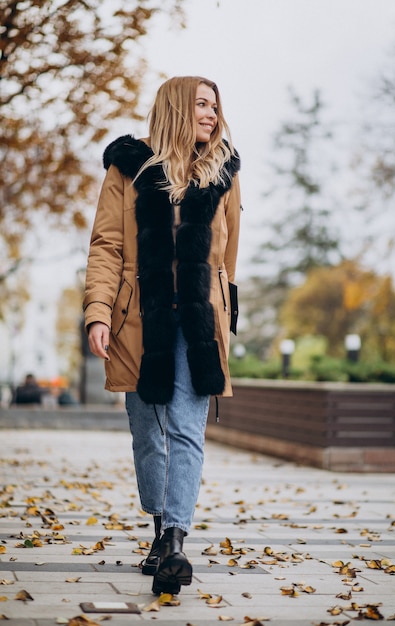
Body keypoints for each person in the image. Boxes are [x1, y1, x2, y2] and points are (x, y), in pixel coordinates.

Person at [83, 76, 241, 595]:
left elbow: (228, 258)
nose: (211, 115)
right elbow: (106, 245)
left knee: (187, 432)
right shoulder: (128, 168)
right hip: (140, 322)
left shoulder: (224, 171)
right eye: (201, 104)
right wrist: (99, 312)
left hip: (196, 324)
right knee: (149, 434)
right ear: (176, 107)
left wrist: (223, 312)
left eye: (215, 107)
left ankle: (175, 542)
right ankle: (158, 528)